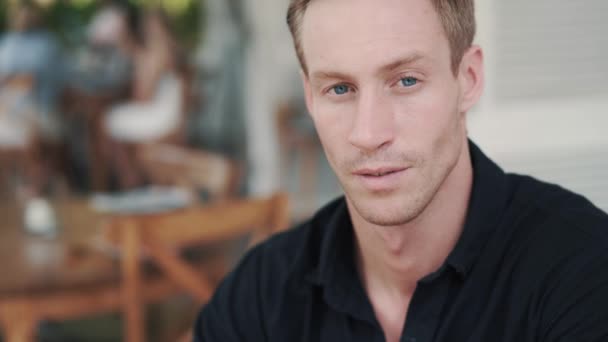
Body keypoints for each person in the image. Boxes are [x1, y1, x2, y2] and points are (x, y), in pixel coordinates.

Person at [194, 0, 608, 341]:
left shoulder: (582, 271)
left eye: (406, 81)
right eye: (339, 89)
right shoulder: (261, 294)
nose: (369, 133)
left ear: (468, 79)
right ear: (310, 97)